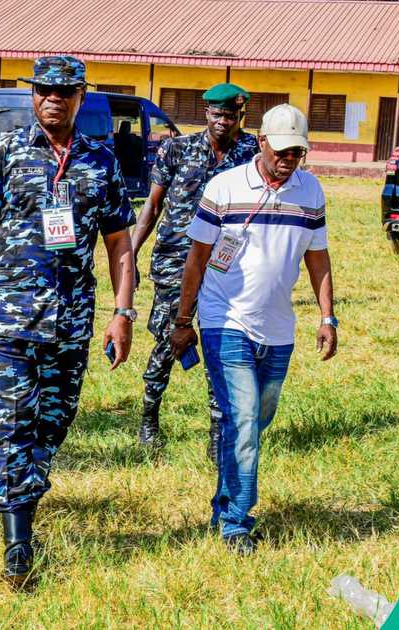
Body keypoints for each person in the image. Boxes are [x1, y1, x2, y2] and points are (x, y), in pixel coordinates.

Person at [0, 56, 136, 588]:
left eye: (63, 91)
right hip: (11, 322)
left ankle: (27, 483)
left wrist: (122, 312)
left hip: (71, 323)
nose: (52, 99)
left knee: (53, 425)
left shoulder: (101, 162)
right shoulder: (5, 152)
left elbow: (119, 244)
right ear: (33, 97)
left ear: (80, 96)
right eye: (43, 91)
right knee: (13, 426)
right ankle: (19, 544)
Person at [170, 104, 337, 556]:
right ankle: (236, 520)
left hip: (279, 328)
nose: (288, 159)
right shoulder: (224, 187)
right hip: (225, 321)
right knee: (242, 420)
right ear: (261, 141)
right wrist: (184, 321)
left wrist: (327, 317)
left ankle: (224, 499)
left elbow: (317, 258)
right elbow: (197, 259)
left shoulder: (311, 192)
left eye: (297, 152)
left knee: (257, 418)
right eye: (281, 149)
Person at [129, 83, 259, 457]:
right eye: (217, 115)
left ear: (240, 117)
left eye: (231, 116)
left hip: (229, 265)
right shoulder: (176, 149)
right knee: (171, 338)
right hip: (175, 261)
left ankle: (218, 432)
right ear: (206, 114)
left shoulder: (251, 153)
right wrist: (132, 256)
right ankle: (149, 417)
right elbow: (152, 207)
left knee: (222, 344)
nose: (223, 122)